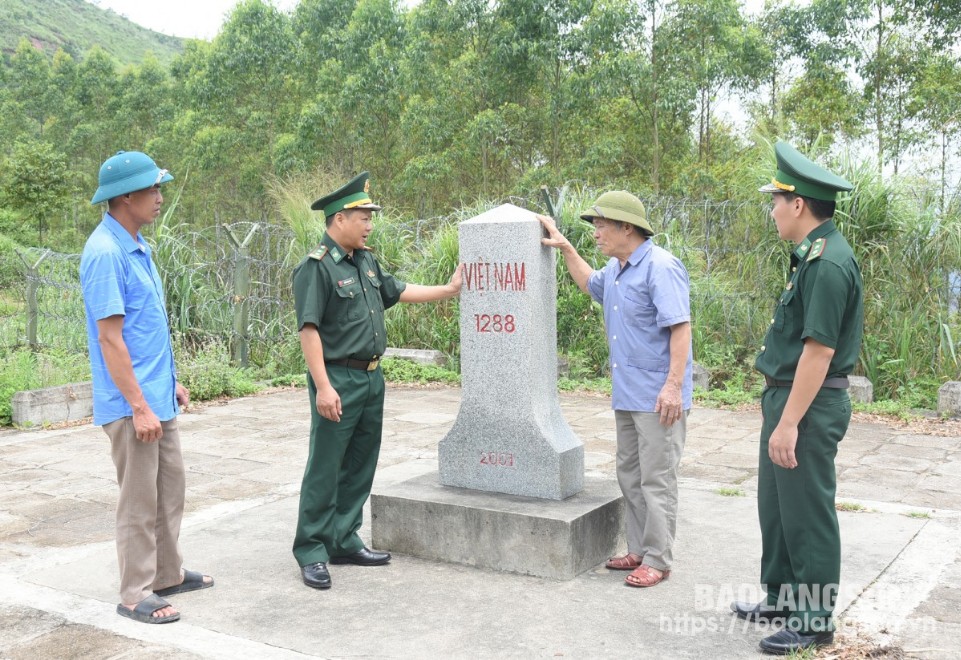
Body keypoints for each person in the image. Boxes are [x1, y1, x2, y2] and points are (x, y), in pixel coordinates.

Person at [292, 171, 462, 590]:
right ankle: (312, 548)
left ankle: (343, 538)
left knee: (360, 462)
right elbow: (308, 330)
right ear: (338, 220)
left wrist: (450, 289)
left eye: (370, 216)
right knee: (326, 466)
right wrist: (324, 387)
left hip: (371, 377)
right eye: (363, 216)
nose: (370, 223)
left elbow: (398, 291)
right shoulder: (316, 269)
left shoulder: (365, 260)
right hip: (338, 378)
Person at [730, 141, 862, 655]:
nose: (773, 210)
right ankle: (782, 599)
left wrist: (788, 424)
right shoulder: (809, 256)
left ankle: (813, 620)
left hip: (806, 407)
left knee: (807, 514)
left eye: (776, 201)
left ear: (799, 204)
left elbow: (818, 353)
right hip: (787, 401)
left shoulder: (828, 264)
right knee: (777, 509)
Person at [80, 151, 213, 625]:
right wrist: (138, 406)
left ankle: (167, 573)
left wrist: (170, 381)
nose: (160, 198)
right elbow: (111, 339)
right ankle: (135, 593)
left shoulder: (137, 245)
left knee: (169, 489)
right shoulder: (105, 253)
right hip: (132, 404)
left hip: (157, 397)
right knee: (138, 500)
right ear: (126, 197)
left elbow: (146, 327)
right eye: (153, 190)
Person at [538, 191, 693, 589]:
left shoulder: (660, 267)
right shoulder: (617, 268)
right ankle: (639, 549)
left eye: (602, 226)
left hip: (659, 397)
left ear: (628, 227)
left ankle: (659, 559)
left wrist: (673, 386)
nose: (597, 233)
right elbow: (591, 284)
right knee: (630, 474)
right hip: (628, 393)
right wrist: (566, 248)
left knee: (657, 479)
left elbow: (680, 328)